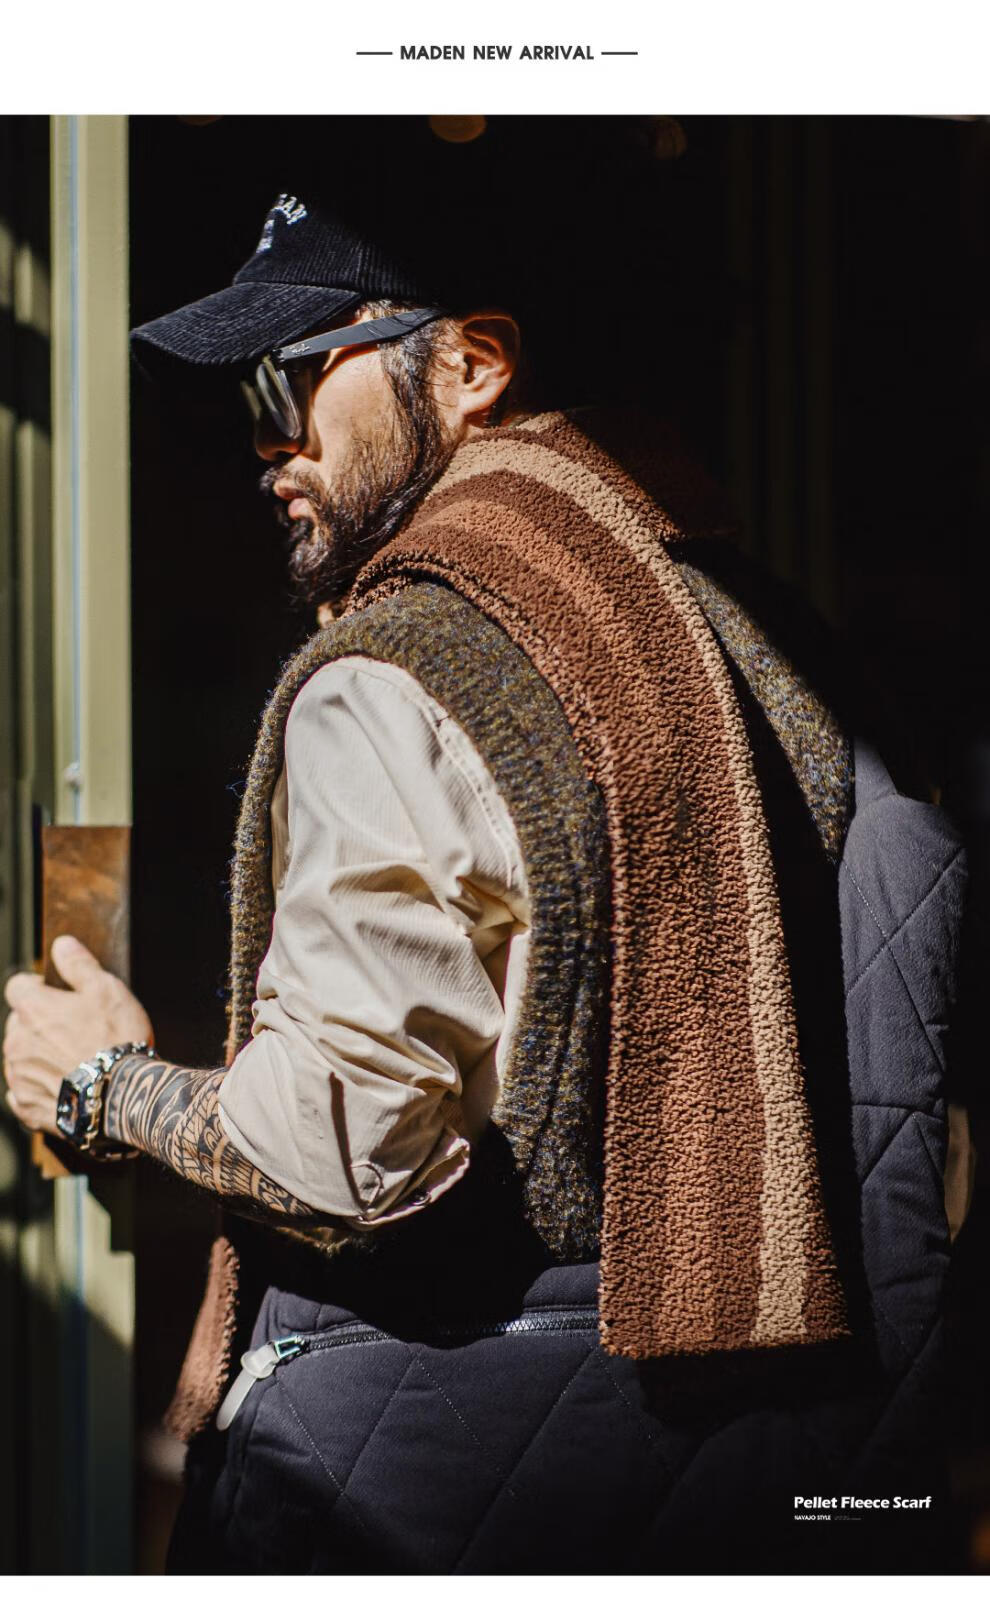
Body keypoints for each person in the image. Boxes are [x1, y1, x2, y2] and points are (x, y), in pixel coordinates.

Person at [1, 178, 968, 1575]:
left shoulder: (395, 676)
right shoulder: (758, 632)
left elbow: (342, 1150)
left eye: (284, 381)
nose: (266, 445)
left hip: (422, 1472)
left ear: (469, 365)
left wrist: (101, 1085)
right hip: (752, 1457)